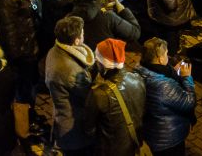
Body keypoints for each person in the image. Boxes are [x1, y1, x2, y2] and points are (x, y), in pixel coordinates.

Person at [83, 38, 147, 156]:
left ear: (104, 65)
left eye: (97, 61)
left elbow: (88, 129)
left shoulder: (99, 94)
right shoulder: (137, 79)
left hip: (109, 150)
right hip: (133, 144)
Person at [45, 15, 96, 156]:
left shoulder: (54, 51)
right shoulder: (71, 71)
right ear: (76, 40)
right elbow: (90, 96)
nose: (85, 34)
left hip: (62, 118)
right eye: (83, 33)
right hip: (73, 129)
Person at [135, 37, 195, 156]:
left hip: (151, 132)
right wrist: (186, 78)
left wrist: (173, 71)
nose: (168, 56)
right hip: (168, 140)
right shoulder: (164, 85)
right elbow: (189, 101)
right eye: (166, 54)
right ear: (160, 58)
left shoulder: (138, 71)